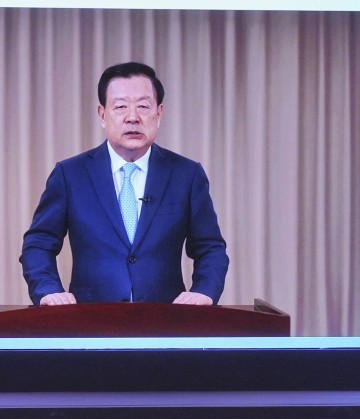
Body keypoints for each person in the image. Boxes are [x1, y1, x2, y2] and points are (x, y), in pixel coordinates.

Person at [20, 61, 228, 307]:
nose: (133, 117)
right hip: (89, 321)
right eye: (120, 107)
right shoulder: (70, 175)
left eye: (143, 106)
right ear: (102, 115)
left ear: (159, 113)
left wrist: (204, 291)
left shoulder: (186, 174)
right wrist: (48, 291)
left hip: (167, 321)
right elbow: (38, 244)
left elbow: (210, 248)